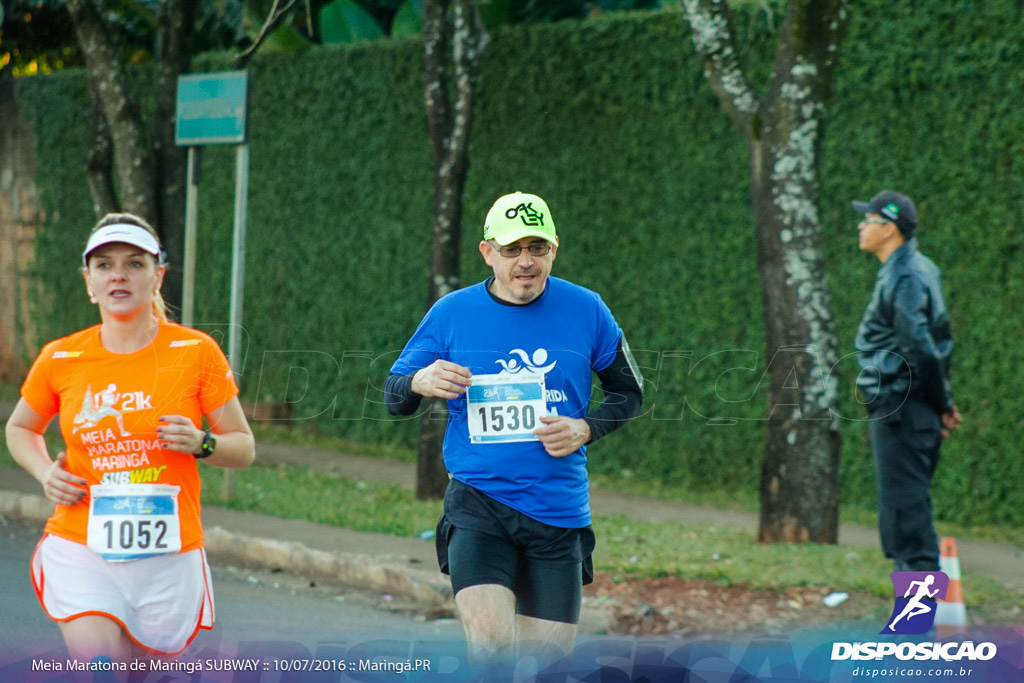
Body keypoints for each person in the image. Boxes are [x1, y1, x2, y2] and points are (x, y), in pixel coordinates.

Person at [384, 191, 643, 670]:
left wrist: (586, 427)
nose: (525, 261)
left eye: (537, 248)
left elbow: (630, 393)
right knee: (492, 654)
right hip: (479, 507)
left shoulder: (587, 309)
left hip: (557, 515)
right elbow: (394, 394)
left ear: (554, 250)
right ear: (488, 252)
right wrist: (421, 380)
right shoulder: (451, 313)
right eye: (511, 249)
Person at [4, 213, 256, 665]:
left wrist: (203, 442)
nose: (118, 274)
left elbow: (243, 446)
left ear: (158, 276)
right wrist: (45, 473)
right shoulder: (61, 357)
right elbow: (21, 427)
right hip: (81, 544)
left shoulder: (196, 352)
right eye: (104, 265)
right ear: (89, 281)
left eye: (134, 264)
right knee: (98, 666)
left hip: (168, 554)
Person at [852, 190, 962, 572]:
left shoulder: (905, 275)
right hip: (912, 409)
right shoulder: (920, 268)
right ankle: (912, 627)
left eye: (869, 219)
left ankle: (915, 629)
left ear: (890, 229)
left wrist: (940, 404)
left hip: (901, 409)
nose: (861, 226)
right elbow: (935, 342)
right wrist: (940, 403)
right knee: (905, 522)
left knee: (909, 531)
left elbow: (920, 347)